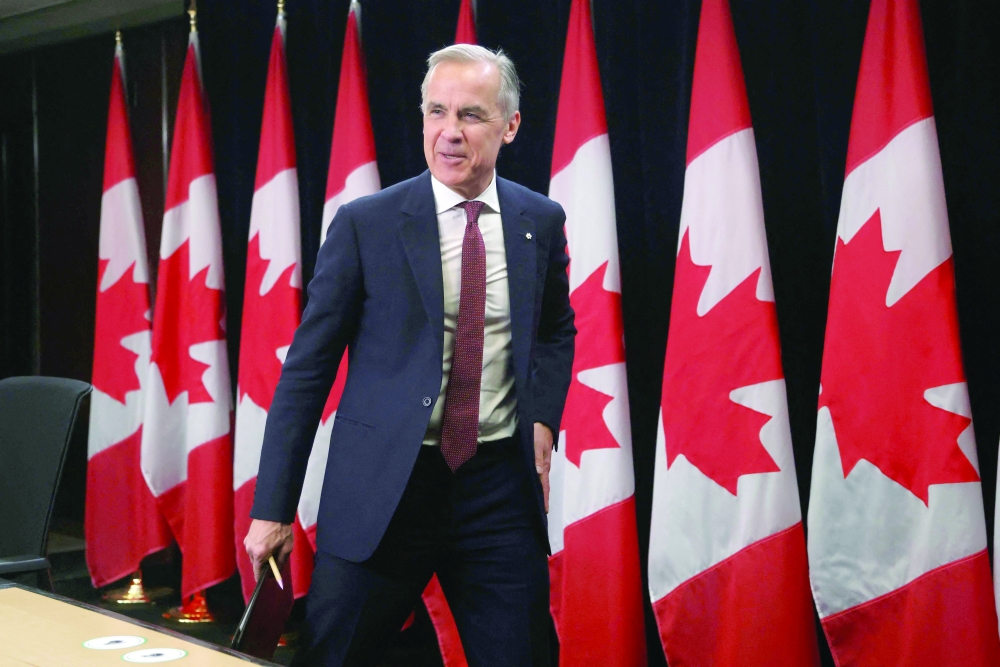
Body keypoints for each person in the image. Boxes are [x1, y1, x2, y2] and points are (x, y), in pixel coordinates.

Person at [244, 44, 575, 667]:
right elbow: (307, 371)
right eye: (435, 112)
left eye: (471, 115)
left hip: (496, 490)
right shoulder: (366, 224)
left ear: (510, 125)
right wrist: (272, 509)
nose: (449, 133)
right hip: (384, 489)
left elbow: (557, 329)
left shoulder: (541, 220)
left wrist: (542, 417)